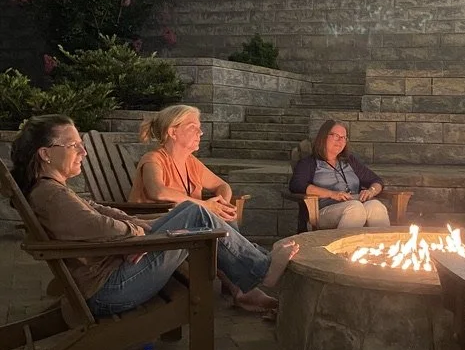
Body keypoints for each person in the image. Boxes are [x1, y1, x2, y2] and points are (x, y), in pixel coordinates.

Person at [11, 115, 296, 319]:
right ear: (46, 154)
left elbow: (103, 212)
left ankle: (255, 272)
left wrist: (139, 234)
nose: (83, 151)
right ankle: (263, 271)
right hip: (109, 289)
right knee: (196, 213)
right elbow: (98, 225)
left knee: (191, 212)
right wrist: (140, 238)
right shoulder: (51, 195)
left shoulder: (54, 190)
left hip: (114, 268)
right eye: (74, 145)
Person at [129, 104, 238, 224]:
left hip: (185, 228)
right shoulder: (153, 159)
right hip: (153, 226)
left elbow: (222, 185)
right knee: (203, 214)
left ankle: (245, 244)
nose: (200, 133)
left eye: (199, 128)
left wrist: (221, 205)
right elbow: (158, 192)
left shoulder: (191, 162)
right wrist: (206, 205)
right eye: (193, 127)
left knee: (226, 216)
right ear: (173, 132)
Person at [289, 119, 390, 230]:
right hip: (322, 213)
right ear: (323, 137)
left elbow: (376, 180)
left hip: (355, 203)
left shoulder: (349, 161)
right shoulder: (309, 163)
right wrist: (332, 194)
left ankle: (384, 246)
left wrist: (371, 191)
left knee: (375, 206)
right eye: (336, 136)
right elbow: (296, 185)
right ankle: (344, 247)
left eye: (344, 138)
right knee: (355, 208)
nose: (340, 141)